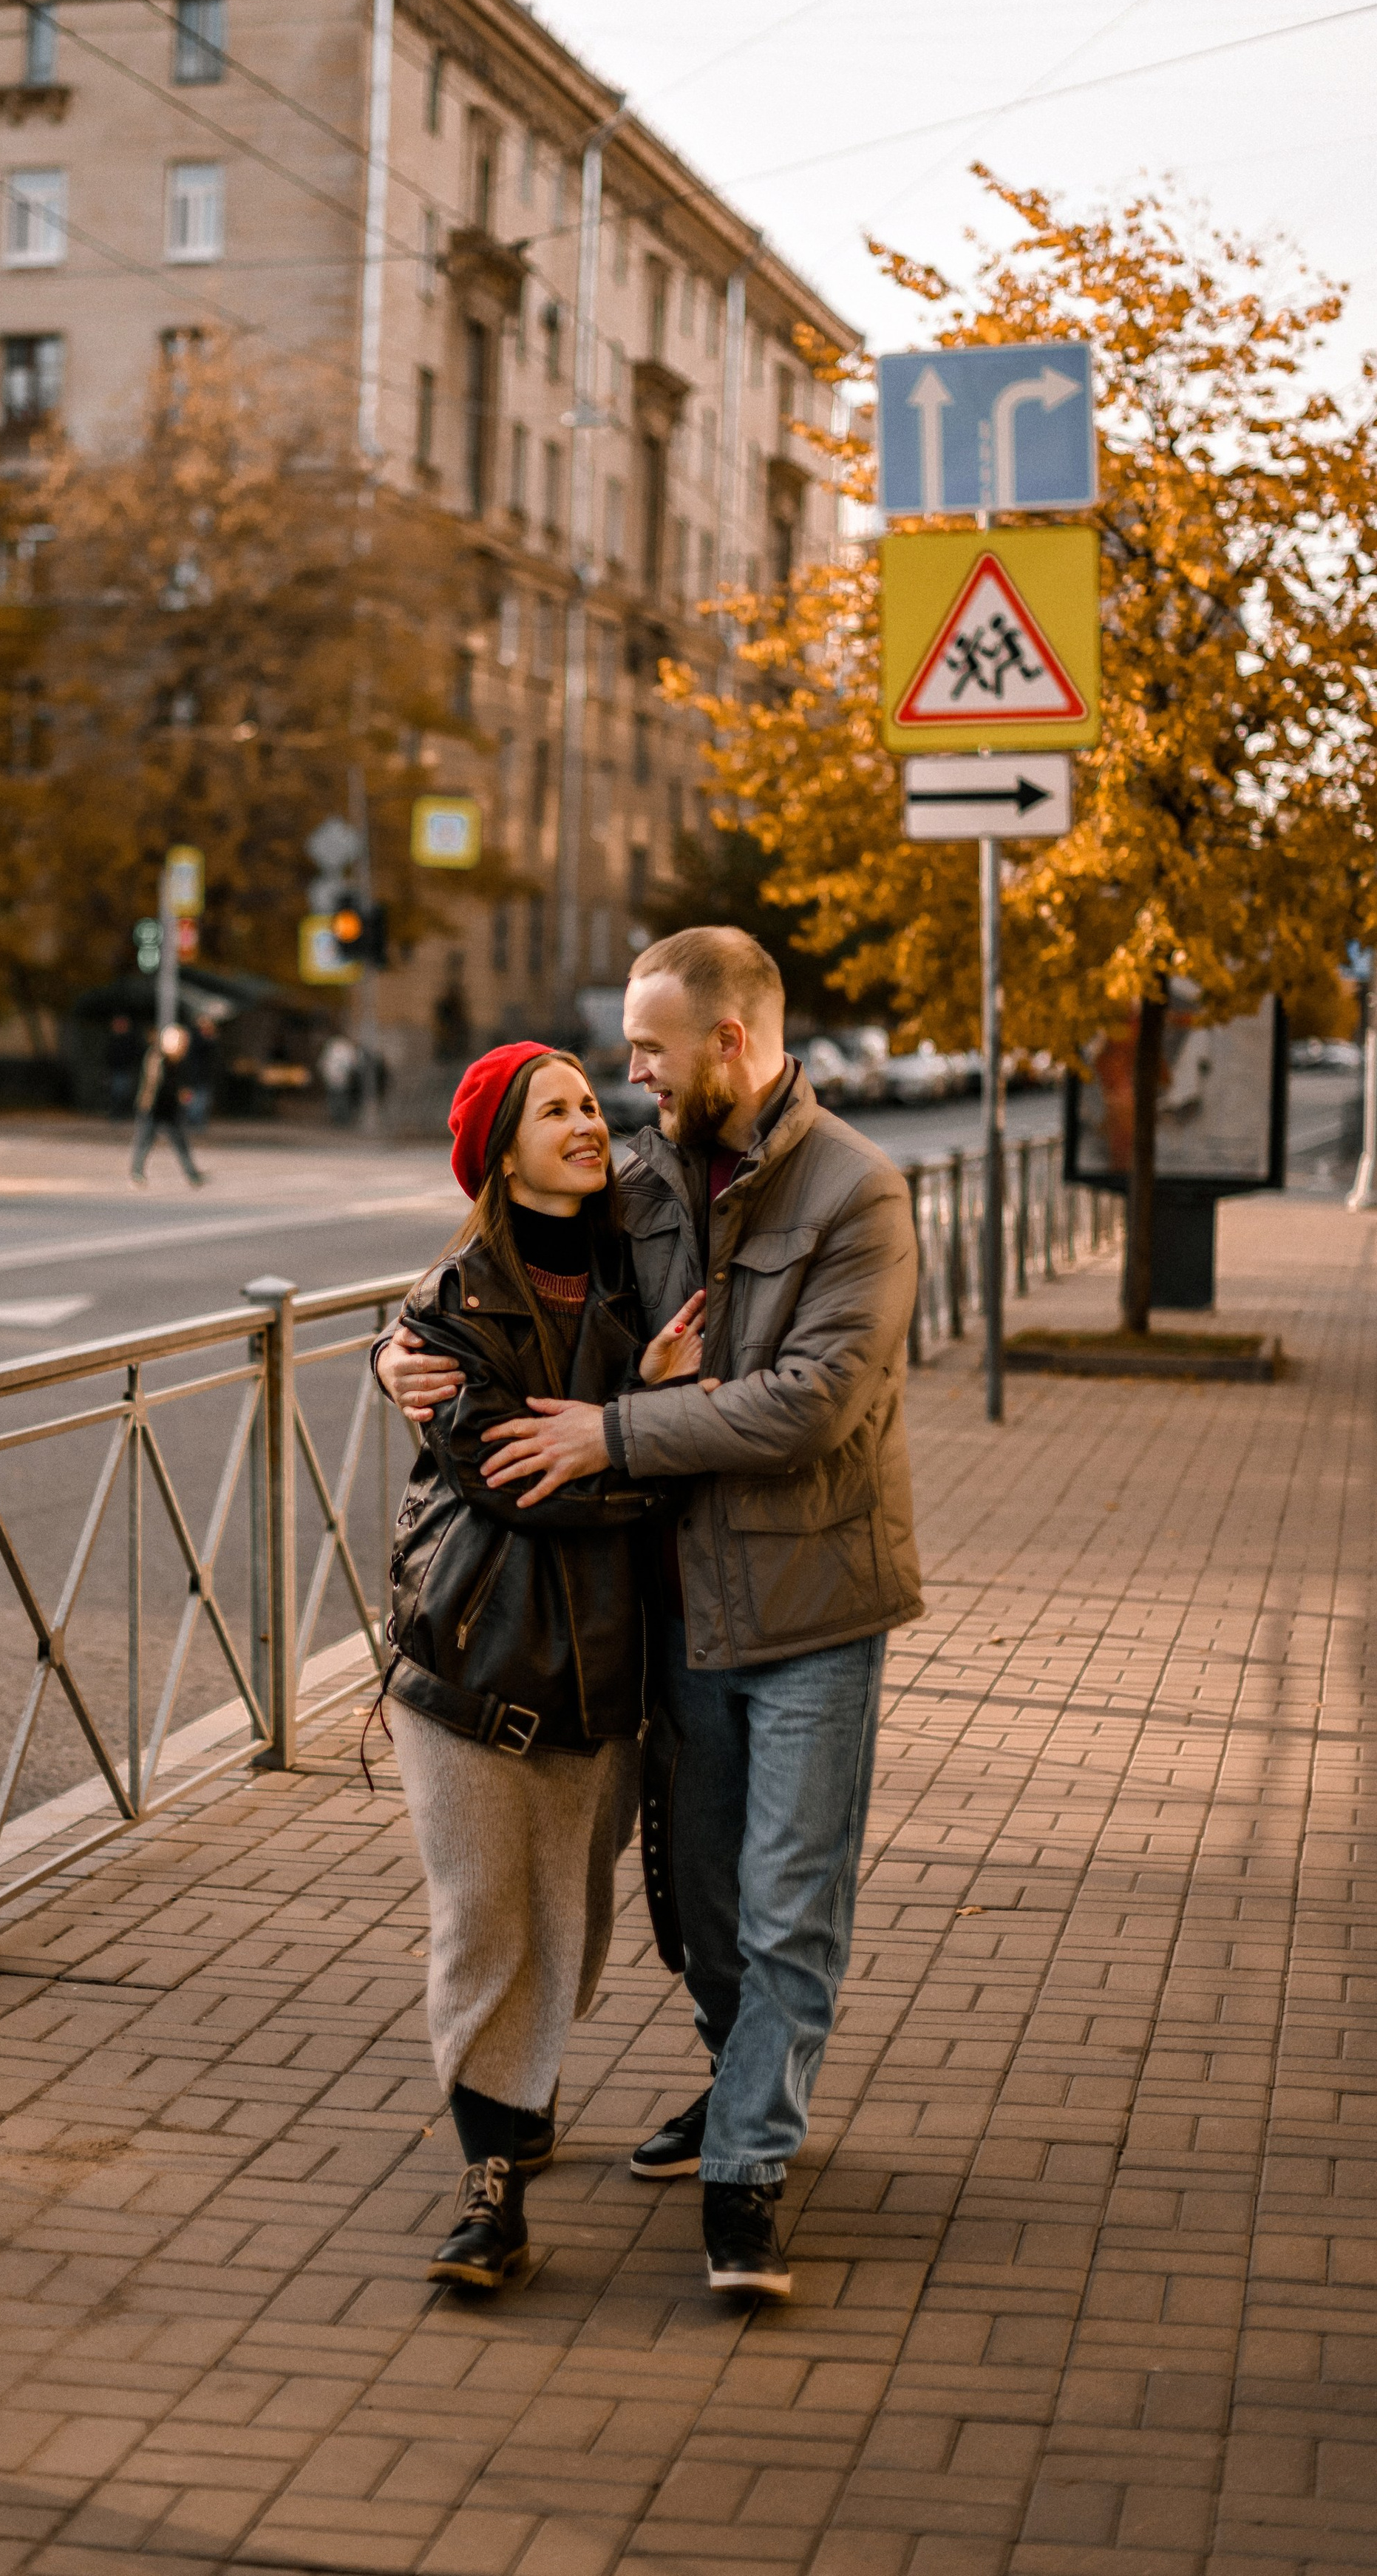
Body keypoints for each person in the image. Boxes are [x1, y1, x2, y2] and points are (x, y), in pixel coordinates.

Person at [378, 927, 922, 2300]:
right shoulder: (647, 1187)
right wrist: (394, 1349)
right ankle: (743, 2086)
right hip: (673, 1610)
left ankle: (745, 2177)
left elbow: (814, 1404)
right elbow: (501, 1262)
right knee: (703, 1915)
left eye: (649, 1055)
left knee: (792, 1905)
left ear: (729, 1045)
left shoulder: (859, 1191)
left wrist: (617, 1434)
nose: (631, 1085)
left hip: (809, 1605)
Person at [382, 1042, 705, 2291]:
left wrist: (622, 1431)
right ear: (498, 1149)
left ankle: (520, 2093)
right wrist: (644, 1429)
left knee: (571, 1912)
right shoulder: (457, 1297)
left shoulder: (641, 1268)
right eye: (554, 1108)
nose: (586, 1122)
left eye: (590, 1102)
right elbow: (514, 1474)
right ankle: (492, 2194)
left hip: (610, 1673)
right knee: (485, 1916)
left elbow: (599, 1458)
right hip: (473, 1660)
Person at [130, 1021, 205, 1187]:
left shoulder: (178, 1061)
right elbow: (156, 1083)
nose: (184, 1047)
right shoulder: (157, 1057)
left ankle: (192, 1175)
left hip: (170, 1109)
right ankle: (137, 1172)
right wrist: (179, 1093)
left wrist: (183, 1093)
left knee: (181, 1143)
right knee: (145, 1141)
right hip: (153, 1108)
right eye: (181, 1043)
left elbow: (181, 1082)